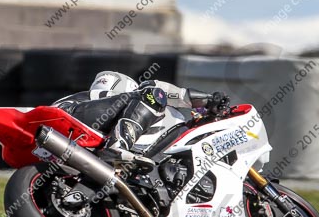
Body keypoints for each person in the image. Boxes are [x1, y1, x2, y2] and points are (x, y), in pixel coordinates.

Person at [54, 72, 229, 168]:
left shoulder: (99, 103)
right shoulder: (127, 95)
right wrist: (207, 99)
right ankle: (117, 147)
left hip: (73, 145)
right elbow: (166, 91)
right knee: (153, 95)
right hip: (65, 119)